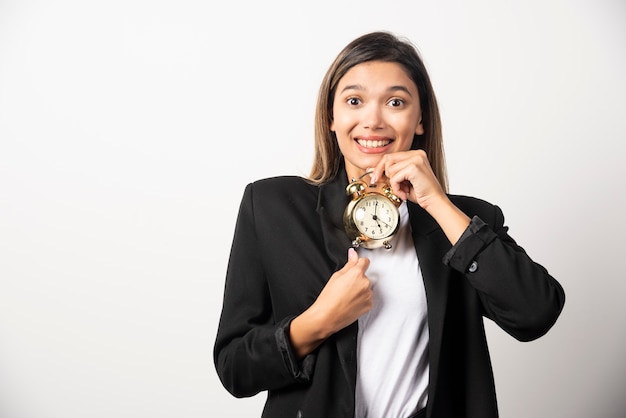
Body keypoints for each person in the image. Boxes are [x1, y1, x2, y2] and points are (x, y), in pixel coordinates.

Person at [213, 31, 565, 418]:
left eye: (395, 102)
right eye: (354, 101)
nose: (373, 120)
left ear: (420, 120)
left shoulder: (462, 220)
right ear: (331, 116)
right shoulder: (271, 207)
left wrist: (437, 203)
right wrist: (317, 321)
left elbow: (535, 314)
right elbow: (234, 368)